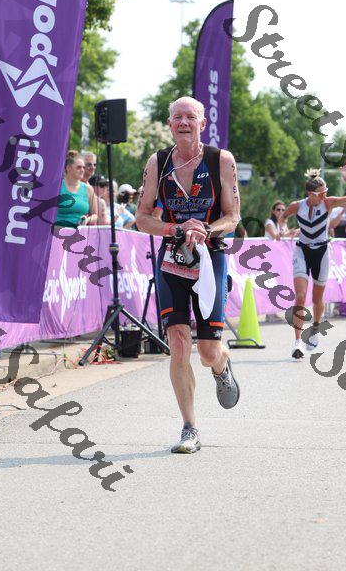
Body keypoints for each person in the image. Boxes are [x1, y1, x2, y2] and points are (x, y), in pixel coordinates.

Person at [135, 96, 240, 454]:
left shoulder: (220, 160)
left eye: (190, 117)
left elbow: (233, 216)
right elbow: (142, 217)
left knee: (208, 351)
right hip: (172, 258)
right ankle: (189, 427)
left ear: (202, 123)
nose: (183, 122)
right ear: (169, 124)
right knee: (179, 343)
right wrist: (175, 230)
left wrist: (205, 229)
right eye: (177, 117)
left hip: (210, 258)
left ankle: (221, 366)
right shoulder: (158, 162)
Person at [281, 165, 346, 359]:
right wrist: (283, 228)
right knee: (300, 296)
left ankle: (315, 328)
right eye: (321, 193)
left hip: (322, 252)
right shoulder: (297, 205)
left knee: (317, 299)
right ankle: (297, 342)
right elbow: (283, 217)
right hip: (302, 250)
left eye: (326, 192)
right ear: (311, 194)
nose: (325, 195)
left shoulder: (327, 203)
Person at [55, 150, 98, 228]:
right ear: (68, 168)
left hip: (79, 233)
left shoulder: (88, 189)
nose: (82, 170)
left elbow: (95, 215)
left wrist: (87, 219)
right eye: (79, 167)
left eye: (83, 167)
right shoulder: (56, 187)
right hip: (56, 231)